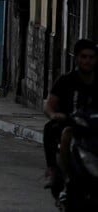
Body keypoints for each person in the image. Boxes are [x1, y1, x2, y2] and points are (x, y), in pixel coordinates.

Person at [42, 38, 98, 191]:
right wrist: (54, 115)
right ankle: (54, 171)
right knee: (55, 130)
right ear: (77, 58)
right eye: (84, 57)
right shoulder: (66, 81)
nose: (88, 61)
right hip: (72, 124)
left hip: (93, 127)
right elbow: (49, 105)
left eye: (92, 57)